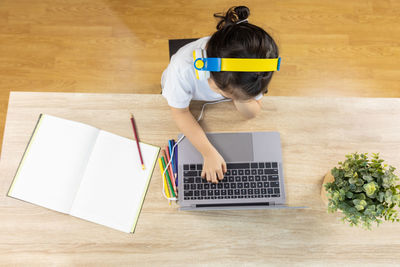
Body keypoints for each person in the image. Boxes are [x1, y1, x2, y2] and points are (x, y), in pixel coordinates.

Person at [161, 6, 279, 184]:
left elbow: (252, 113)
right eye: (225, 92)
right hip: (182, 93)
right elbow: (179, 112)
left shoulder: (252, 74)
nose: (229, 97)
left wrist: (239, 95)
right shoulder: (182, 68)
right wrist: (208, 152)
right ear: (206, 74)